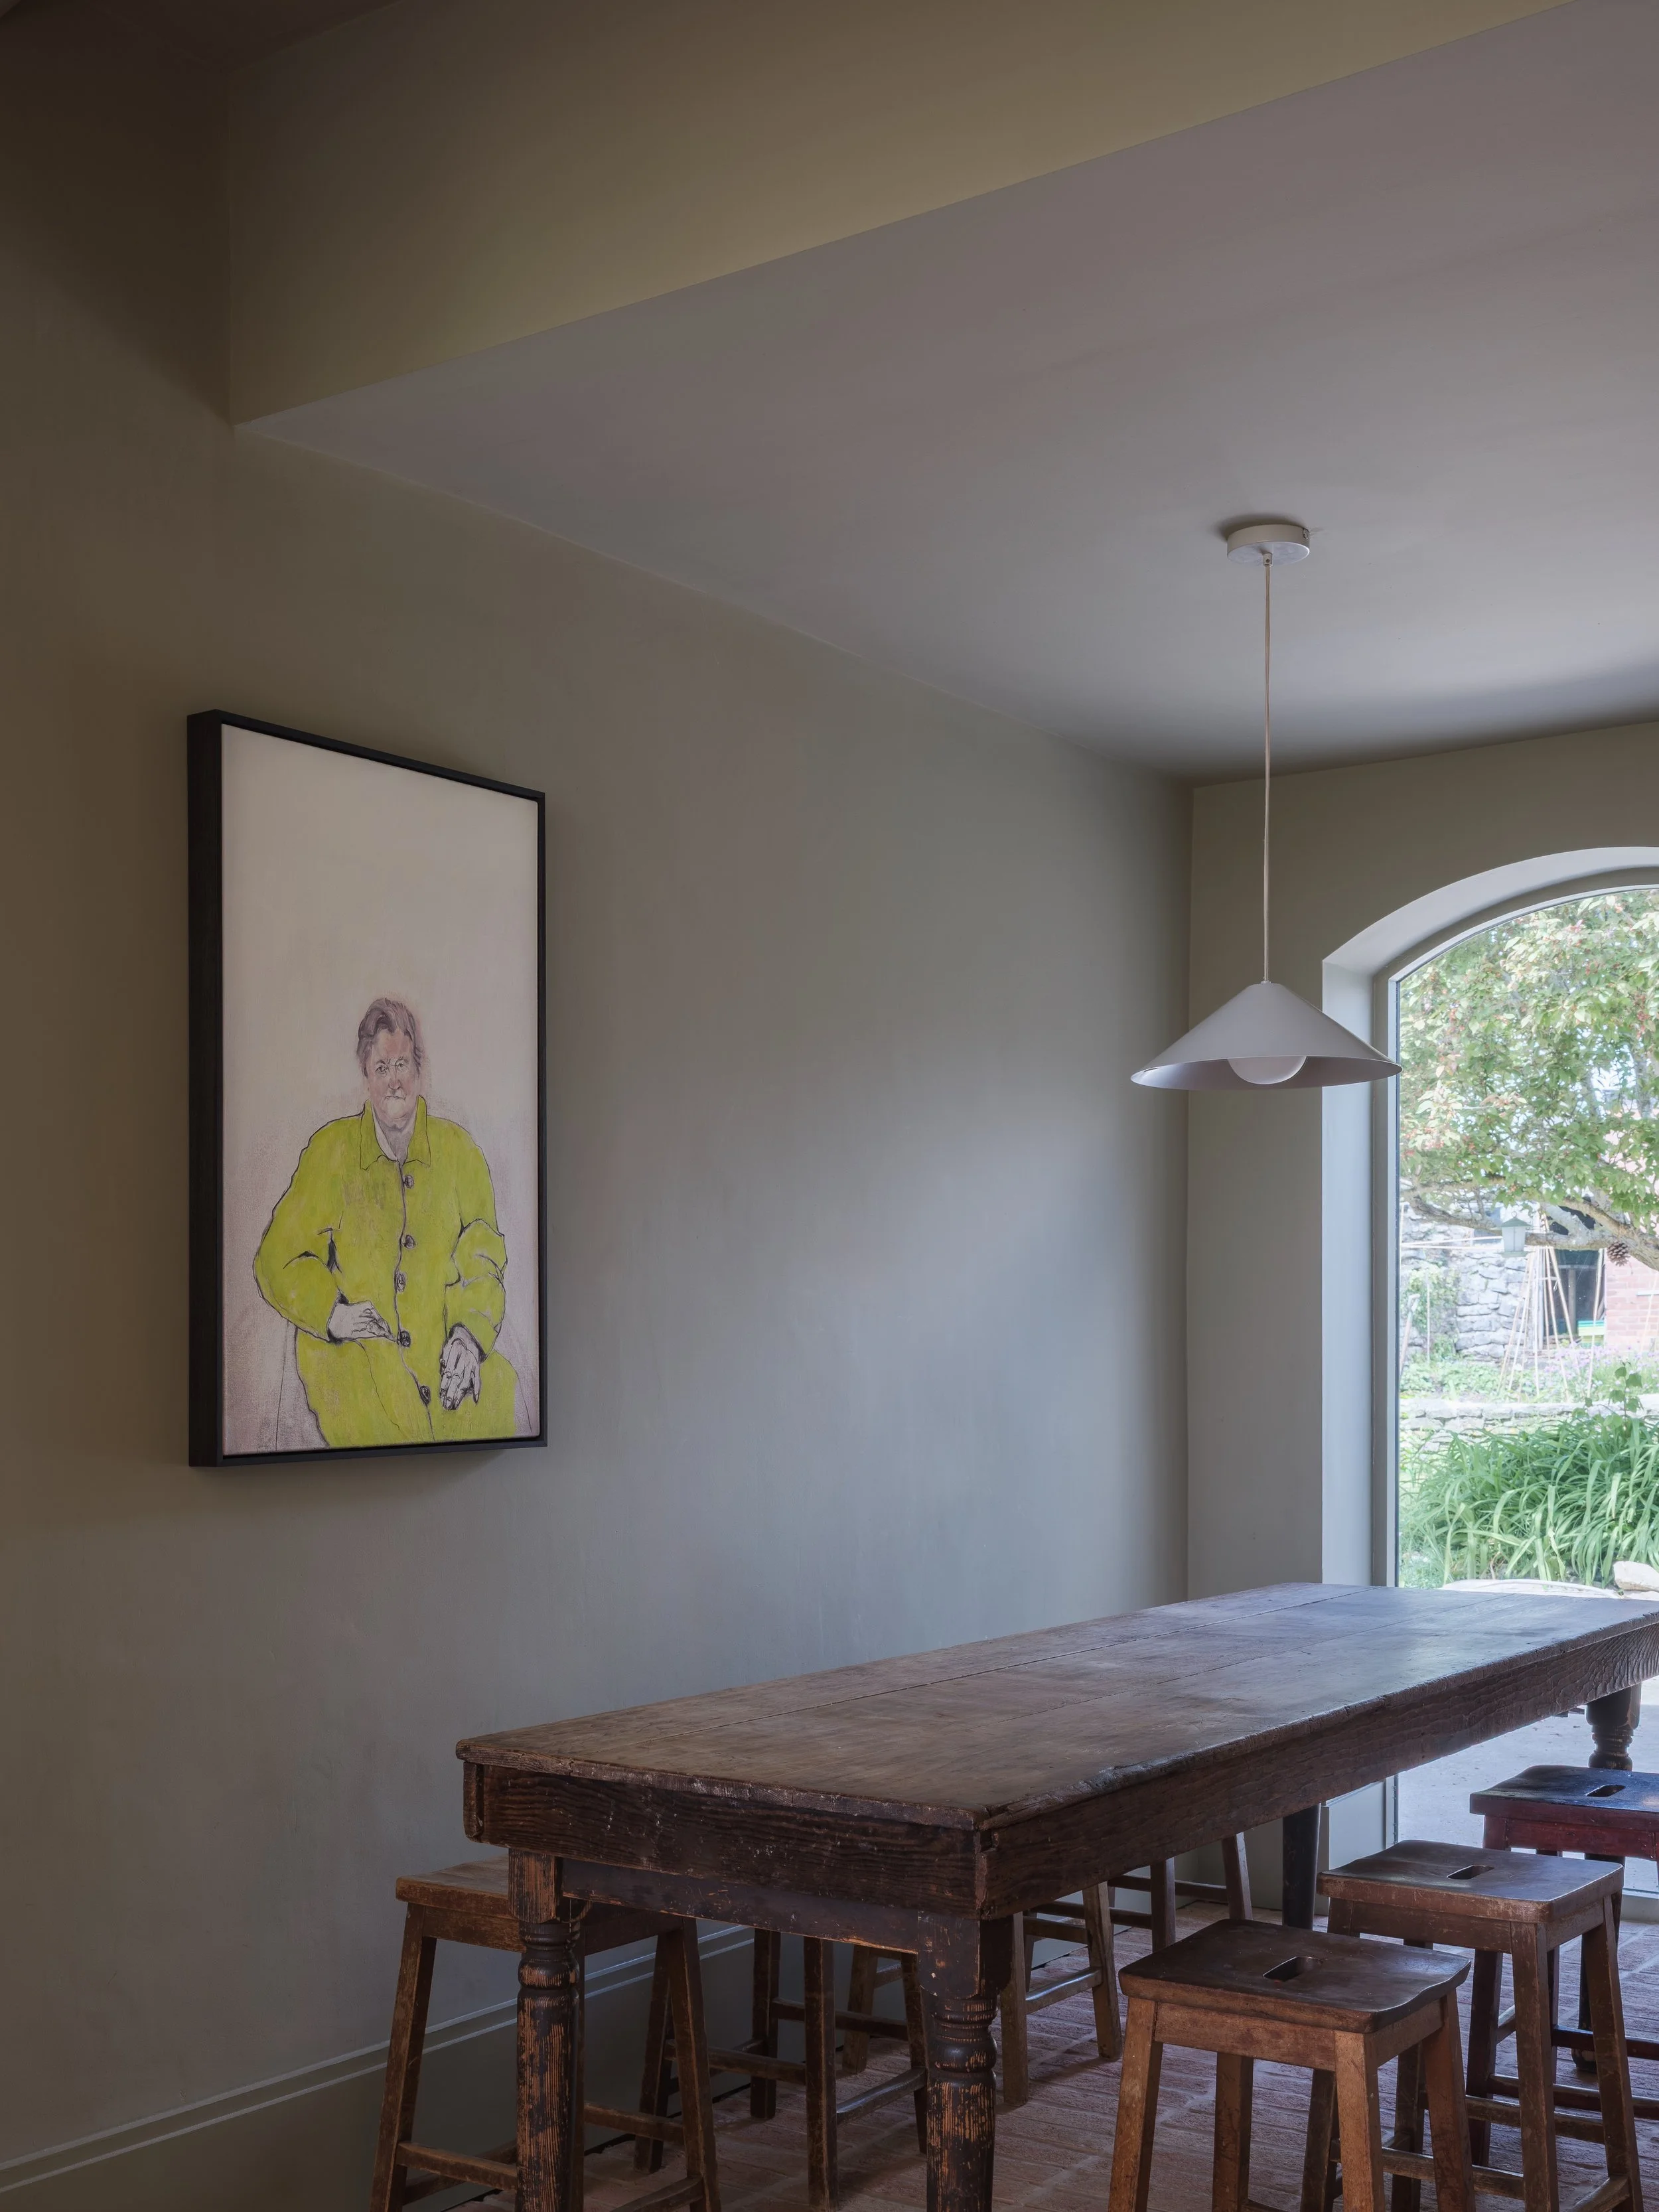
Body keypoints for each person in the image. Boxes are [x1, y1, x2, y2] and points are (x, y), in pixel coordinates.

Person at [253, 997, 518, 1447]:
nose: (393, 1081)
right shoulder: (330, 1151)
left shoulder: (461, 1153)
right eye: (381, 1068)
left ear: (419, 1070)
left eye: (401, 1065)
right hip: (359, 1360)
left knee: (496, 1408)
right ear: (366, 1077)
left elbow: (483, 1259)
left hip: (443, 1351)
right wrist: (334, 1314)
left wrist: (468, 1337)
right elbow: (275, 1258)